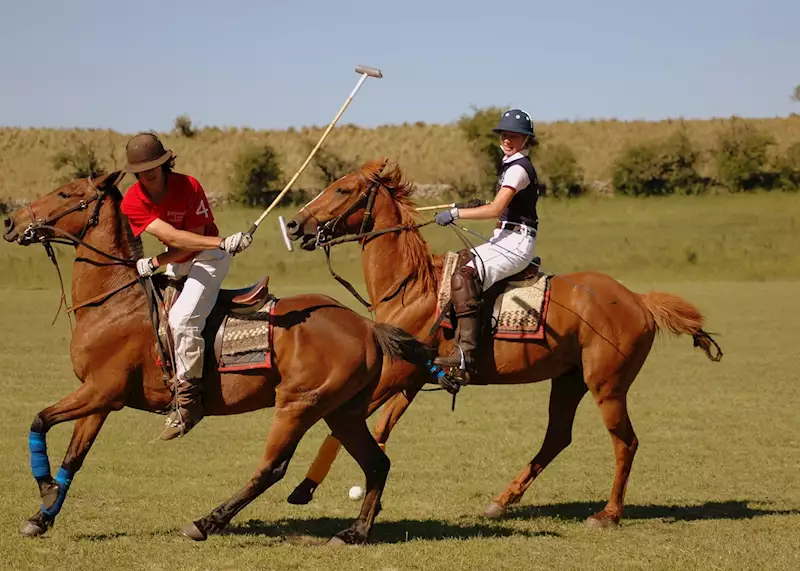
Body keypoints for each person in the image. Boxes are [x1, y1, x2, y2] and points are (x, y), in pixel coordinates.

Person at [120, 133, 253, 440]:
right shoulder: (132, 200)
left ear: (165, 163)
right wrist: (158, 262)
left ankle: (188, 403)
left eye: (153, 166)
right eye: (140, 170)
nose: (147, 174)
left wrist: (219, 244)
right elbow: (173, 238)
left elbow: (191, 239)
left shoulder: (189, 185)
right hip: (181, 259)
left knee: (182, 320)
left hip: (209, 257)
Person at [433, 109, 539, 382]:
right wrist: (467, 207)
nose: (507, 139)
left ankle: (466, 353)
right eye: (504, 134)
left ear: (525, 140)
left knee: (465, 275)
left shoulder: (517, 169)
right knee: (460, 261)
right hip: (505, 237)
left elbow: (495, 209)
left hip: (516, 242)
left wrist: (457, 214)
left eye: (514, 136)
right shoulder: (509, 165)